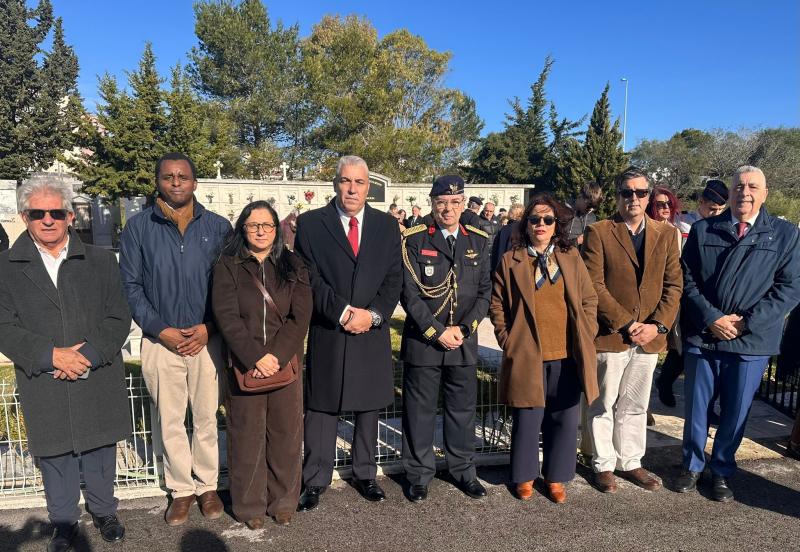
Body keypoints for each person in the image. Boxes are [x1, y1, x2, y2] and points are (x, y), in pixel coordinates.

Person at [0, 176, 132, 551]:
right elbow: (3, 325)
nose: (47, 220)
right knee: (55, 452)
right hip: (43, 373)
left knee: (100, 447)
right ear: (25, 217)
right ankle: (63, 522)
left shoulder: (101, 261)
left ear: (70, 216)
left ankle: (105, 511)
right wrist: (50, 355)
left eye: (56, 212)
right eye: (37, 213)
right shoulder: (5, 266)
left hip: (96, 370)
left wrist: (87, 353)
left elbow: (118, 316)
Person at [119, 152, 231, 526]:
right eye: (168, 176)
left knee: (205, 417)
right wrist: (160, 328)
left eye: (183, 176)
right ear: (158, 182)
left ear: (195, 183)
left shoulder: (218, 228)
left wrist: (209, 327)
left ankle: (207, 485)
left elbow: (230, 287)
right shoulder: (137, 228)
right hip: (159, 339)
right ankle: (181, 490)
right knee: (169, 419)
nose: (177, 182)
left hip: (206, 338)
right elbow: (131, 286)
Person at [676, 165, 800, 501]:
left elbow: (789, 288)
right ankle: (691, 465)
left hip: (751, 341)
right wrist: (712, 317)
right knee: (697, 410)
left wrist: (746, 322)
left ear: (765, 193)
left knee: (735, 412)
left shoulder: (785, 235)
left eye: (752, 186)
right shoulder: (704, 230)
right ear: (730, 192)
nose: (744, 192)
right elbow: (685, 281)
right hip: (704, 336)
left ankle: (721, 470)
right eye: (739, 186)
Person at [294, 155, 402, 511]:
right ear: (335, 183)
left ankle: (365, 473)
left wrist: (372, 316)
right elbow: (309, 277)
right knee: (322, 406)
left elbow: (393, 279)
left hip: (370, 330)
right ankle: (315, 479)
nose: (352, 188)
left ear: (368, 186)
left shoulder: (386, 226)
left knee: (368, 405)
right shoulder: (311, 224)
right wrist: (342, 312)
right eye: (345, 181)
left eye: (359, 182)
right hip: (330, 326)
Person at [489, 193, 598, 503]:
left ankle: (556, 477)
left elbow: (589, 299)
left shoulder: (570, 258)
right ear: (526, 224)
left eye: (547, 220)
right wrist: (507, 339)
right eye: (534, 219)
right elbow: (497, 304)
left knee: (563, 418)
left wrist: (586, 331)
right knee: (527, 418)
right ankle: (524, 476)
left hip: (566, 354)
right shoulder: (512, 260)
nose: (541, 224)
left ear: (556, 225)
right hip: (527, 353)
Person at [212, 201, 312, 529]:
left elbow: (300, 316)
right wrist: (255, 356)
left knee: (285, 434)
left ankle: (283, 500)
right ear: (243, 227)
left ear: (276, 229)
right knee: (246, 436)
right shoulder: (228, 265)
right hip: (245, 364)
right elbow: (226, 315)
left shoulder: (293, 264)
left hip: (284, 364)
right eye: (253, 225)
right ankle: (249, 506)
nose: (260, 231)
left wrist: (277, 356)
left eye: (267, 225)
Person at [582, 166, 682, 494]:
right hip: (612, 334)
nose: (634, 199)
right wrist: (626, 322)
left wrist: (657, 325)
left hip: (650, 337)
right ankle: (603, 464)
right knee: (604, 402)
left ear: (649, 196)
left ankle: (631, 461)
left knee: (636, 404)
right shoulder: (599, 232)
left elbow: (673, 285)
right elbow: (594, 284)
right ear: (618, 196)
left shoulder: (666, 233)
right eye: (627, 192)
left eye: (640, 193)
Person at [399, 175, 491, 502]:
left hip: (463, 343)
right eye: (441, 203)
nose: (448, 209)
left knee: (461, 412)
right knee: (420, 412)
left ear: (463, 203)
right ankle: (419, 475)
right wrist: (436, 331)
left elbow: (484, 292)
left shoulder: (478, 240)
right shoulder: (414, 239)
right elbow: (409, 295)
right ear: (431, 203)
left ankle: (463, 471)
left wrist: (464, 330)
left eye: (454, 202)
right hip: (425, 342)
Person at [655, 179, 729, 408]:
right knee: (681, 344)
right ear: (701, 202)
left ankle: (706, 406)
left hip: (710, 294)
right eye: (711, 208)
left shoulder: (724, 226)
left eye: (719, 210)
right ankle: (665, 381)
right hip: (683, 290)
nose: (714, 213)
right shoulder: (682, 223)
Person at [566, 182, 602, 247]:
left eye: (595, 207)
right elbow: (555, 242)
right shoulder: (564, 213)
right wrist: (577, 241)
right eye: (589, 205)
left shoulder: (593, 218)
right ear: (580, 196)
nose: (591, 209)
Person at [491, 203, 524, 271]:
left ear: (512, 214)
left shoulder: (505, 230)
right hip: (520, 268)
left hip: (504, 267)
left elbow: (497, 251)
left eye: (509, 211)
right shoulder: (525, 229)